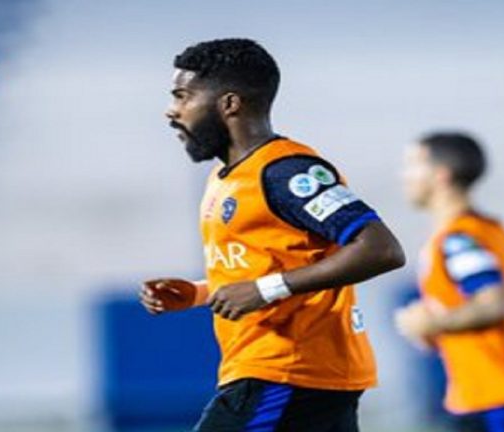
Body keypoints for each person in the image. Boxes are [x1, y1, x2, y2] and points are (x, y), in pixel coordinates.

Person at [139, 38, 405, 432]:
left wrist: (265, 290)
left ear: (230, 104)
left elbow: (380, 249)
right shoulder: (225, 178)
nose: (171, 110)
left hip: (285, 371)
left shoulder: (287, 172)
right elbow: (271, 267)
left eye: (182, 96)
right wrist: (197, 293)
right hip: (293, 374)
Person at [396, 132, 504, 431]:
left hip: (495, 394)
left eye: (412, 165)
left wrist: (432, 324)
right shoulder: (499, 234)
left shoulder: (459, 240)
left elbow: (494, 303)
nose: (404, 175)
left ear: (440, 175)